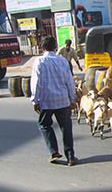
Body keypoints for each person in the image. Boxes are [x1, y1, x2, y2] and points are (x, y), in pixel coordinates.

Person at [30, 36, 77, 166]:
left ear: (42, 47)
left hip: (47, 100)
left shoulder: (39, 61)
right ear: (55, 47)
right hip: (63, 99)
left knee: (44, 125)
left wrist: (35, 100)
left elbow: (36, 83)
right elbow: (69, 81)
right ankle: (70, 156)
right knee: (66, 127)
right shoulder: (62, 61)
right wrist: (72, 98)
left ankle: (53, 151)